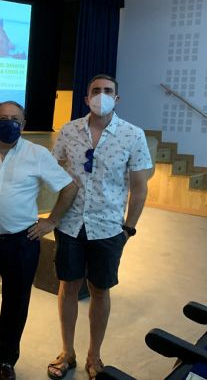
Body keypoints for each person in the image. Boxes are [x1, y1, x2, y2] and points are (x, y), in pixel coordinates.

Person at [0, 101, 78, 380]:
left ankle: (7, 358)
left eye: (15, 119)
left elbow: (69, 187)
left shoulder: (37, 154)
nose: (8, 123)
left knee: (16, 301)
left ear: (23, 125)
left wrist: (52, 221)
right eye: (2, 118)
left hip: (21, 242)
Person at [46, 75, 152, 380]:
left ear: (116, 99)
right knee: (68, 287)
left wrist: (128, 228)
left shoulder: (133, 135)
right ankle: (67, 352)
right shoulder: (68, 131)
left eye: (108, 91)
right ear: (86, 98)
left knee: (100, 291)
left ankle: (95, 354)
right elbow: (53, 170)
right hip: (70, 224)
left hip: (108, 227)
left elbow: (139, 188)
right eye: (96, 91)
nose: (101, 96)